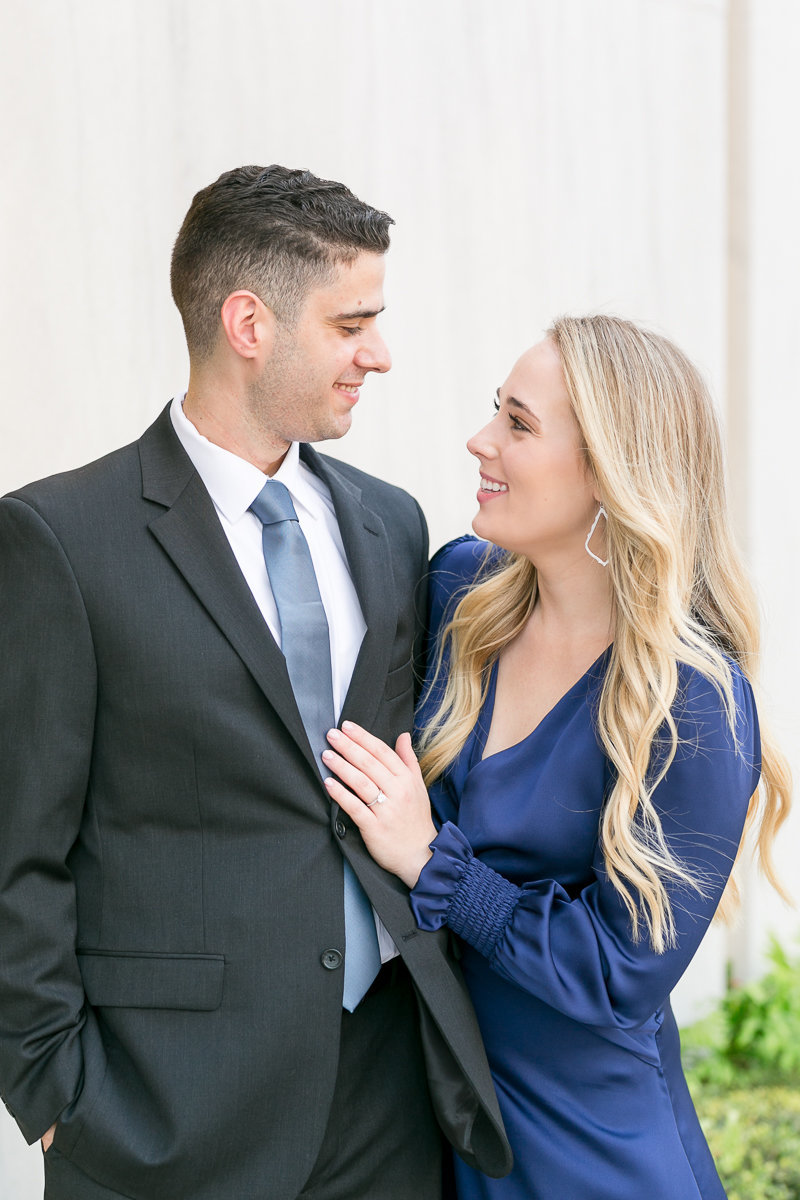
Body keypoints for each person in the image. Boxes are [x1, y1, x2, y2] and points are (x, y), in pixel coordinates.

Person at [0, 165, 511, 1200]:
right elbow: (19, 849)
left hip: (385, 1095)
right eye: (350, 323)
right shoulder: (60, 541)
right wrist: (51, 1093)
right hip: (166, 1113)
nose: (379, 354)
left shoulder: (389, 522)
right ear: (248, 323)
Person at [322, 315, 793, 1199]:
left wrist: (433, 863)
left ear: (612, 473)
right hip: (435, 1114)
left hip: (592, 1147)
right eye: (495, 411)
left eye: (520, 424)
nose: (480, 440)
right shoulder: (460, 587)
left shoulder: (692, 700)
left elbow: (621, 973)